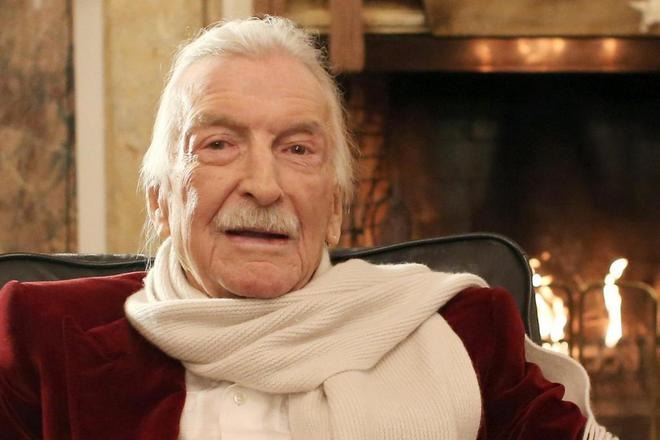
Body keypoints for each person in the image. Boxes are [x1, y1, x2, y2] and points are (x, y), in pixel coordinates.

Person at [0, 17, 616, 440]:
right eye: (219, 144)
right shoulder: (42, 338)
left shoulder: (463, 330)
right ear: (160, 198)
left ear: (337, 208)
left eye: (297, 150)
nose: (263, 185)